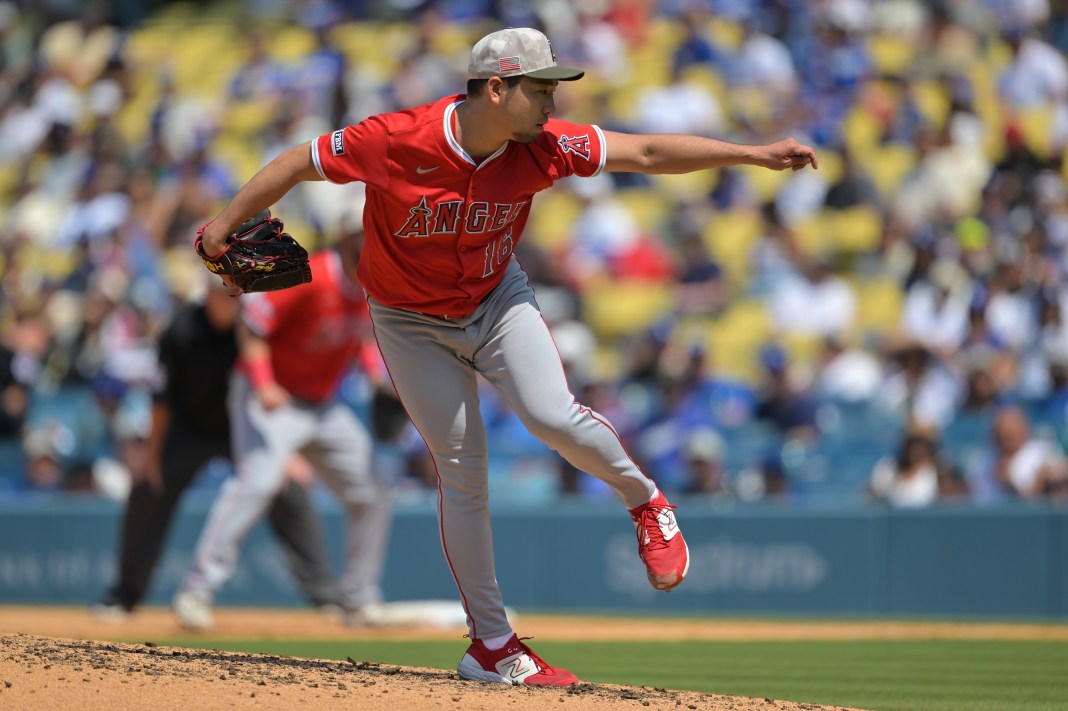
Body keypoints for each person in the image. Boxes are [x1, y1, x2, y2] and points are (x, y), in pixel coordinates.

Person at [196, 27, 818, 685]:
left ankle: (646, 502)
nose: (552, 101)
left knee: (552, 415)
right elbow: (299, 161)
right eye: (541, 88)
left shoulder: (544, 146)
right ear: (496, 88)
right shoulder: (397, 138)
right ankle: (492, 645)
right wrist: (221, 228)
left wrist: (752, 154)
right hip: (408, 321)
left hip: (496, 299)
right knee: (461, 470)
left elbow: (646, 150)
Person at [173, 232, 391, 631]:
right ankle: (197, 591)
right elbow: (252, 326)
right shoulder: (311, 276)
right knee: (258, 481)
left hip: (321, 404)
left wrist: (377, 377)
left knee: (373, 488)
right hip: (272, 393)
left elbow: (358, 336)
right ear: (349, 244)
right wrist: (263, 384)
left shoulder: (372, 284)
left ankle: (359, 598)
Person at [94, 281, 343, 619]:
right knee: (148, 487)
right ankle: (123, 596)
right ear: (207, 293)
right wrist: (153, 456)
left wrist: (287, 452)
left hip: (244, 427)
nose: (230, 299)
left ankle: (326, 597)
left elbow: (279, 389)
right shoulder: (182, 330)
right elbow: (162, 400)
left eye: (236, 293)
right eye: (223, 292)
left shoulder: (255, 329)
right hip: (189, 429)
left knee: (289, 489)